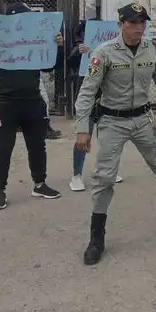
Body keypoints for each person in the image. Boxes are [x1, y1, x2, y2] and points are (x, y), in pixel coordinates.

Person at [74, 3, 156, 266]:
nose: (139, 28)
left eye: (142, 23)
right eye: (133, 23)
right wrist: (82, 129)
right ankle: (97, 238)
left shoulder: (152, 48)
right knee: (104, 177)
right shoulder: (103, 53)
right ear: (121, 24)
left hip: (143, 120)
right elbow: (87, 92)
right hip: (112, 121)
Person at [0, 2, 64, 210]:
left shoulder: (35, 40)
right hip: (4, 103)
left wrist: (58, 46)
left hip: (32, 101)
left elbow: (51, 66)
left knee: (37, 146)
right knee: (1, 149)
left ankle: (40, 184)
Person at [67, 20, 122, 192]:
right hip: (90, 95)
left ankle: (107, 170)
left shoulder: (115, 46)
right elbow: (70, 63)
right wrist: (79, 52)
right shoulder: (80, 46)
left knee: (110, 136)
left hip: (109, 94)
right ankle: (76, 175)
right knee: (84, 134)